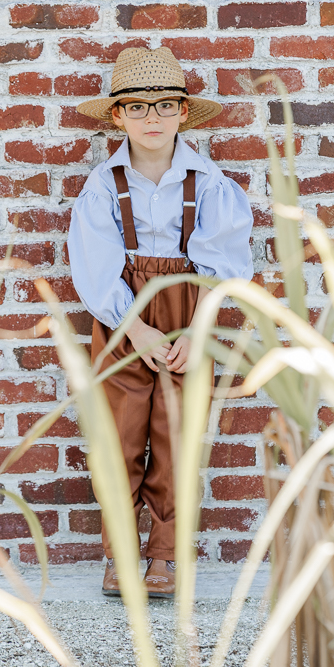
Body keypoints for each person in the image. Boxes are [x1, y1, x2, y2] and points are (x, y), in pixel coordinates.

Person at [67, 46, 254, 598]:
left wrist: (196, 330)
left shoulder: (209, 182)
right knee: (118, 435)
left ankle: (166, 555)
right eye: (138, 108)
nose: (152, 118)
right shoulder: (103, 184)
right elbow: (96, 266)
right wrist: (136, 328)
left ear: (182, 113)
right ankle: (120, 549)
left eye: (165, 106)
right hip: (123, 319)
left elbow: (224, 263)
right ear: (118, 117)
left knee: (177, 435)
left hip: (187, 314)